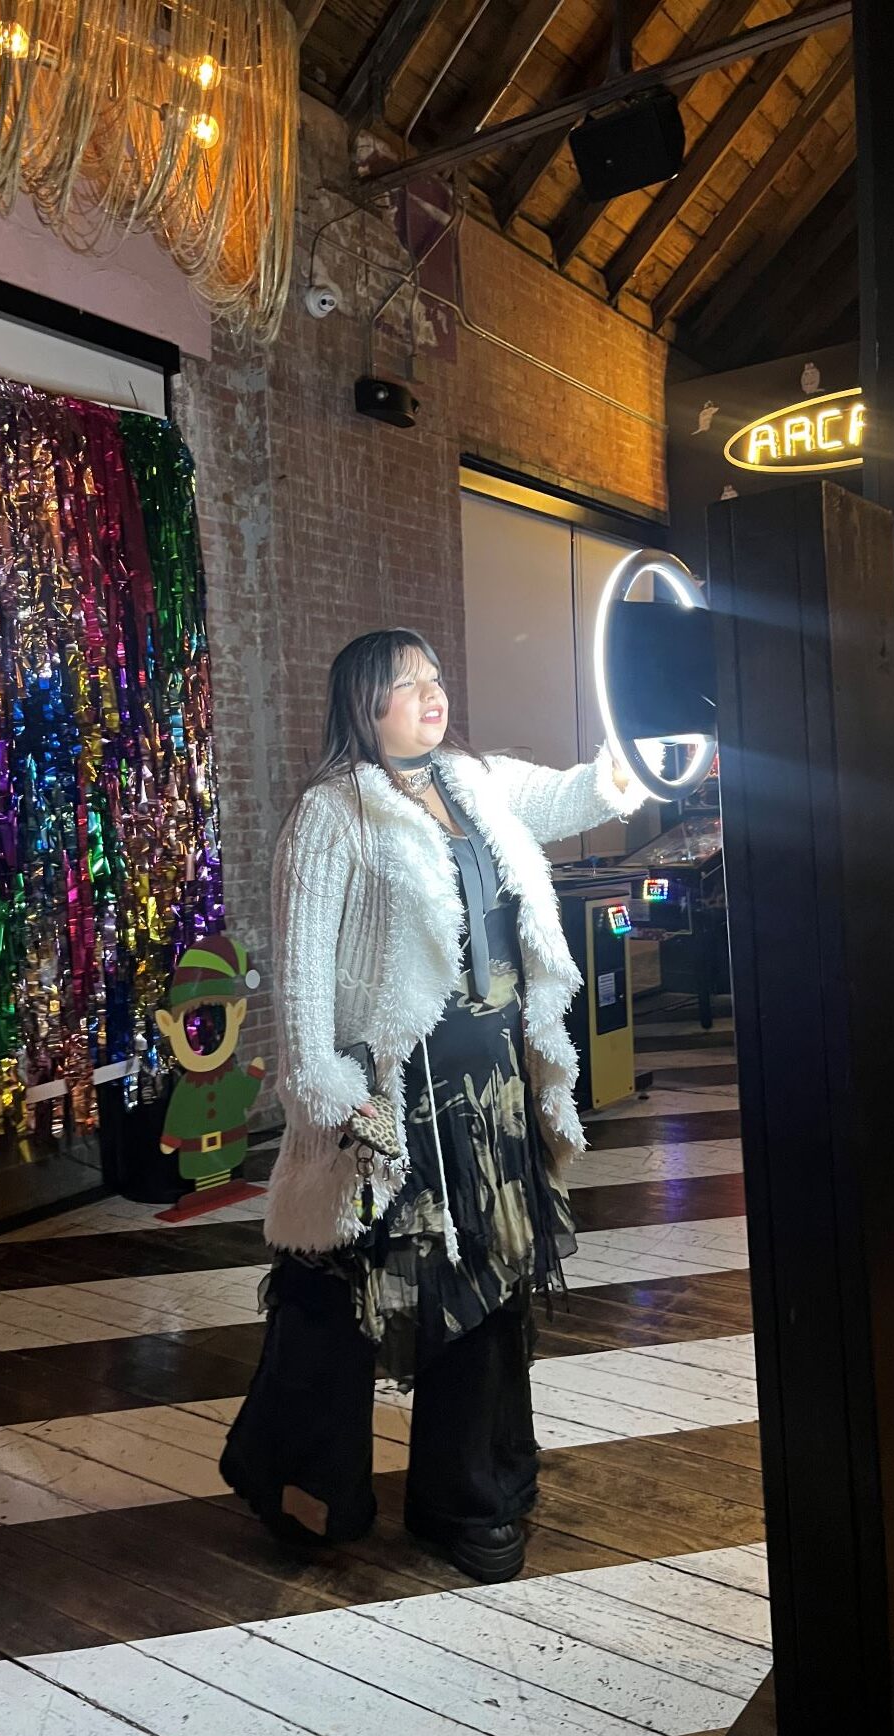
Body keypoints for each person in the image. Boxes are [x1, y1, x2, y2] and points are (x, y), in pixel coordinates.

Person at [221, 628, 643, 1583]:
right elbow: (300, 994)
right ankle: (298, 1481)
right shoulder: (332, 816)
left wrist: (627, 761)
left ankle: (471, 1498)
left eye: (435, 678)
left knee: (487, 1292)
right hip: (388, 1104)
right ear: (362, 708)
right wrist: (338, 1103)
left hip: (489, 1097)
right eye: (406, 685)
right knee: (336, 1305)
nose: (431, 694)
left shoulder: (472, 783)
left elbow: (571, 795)